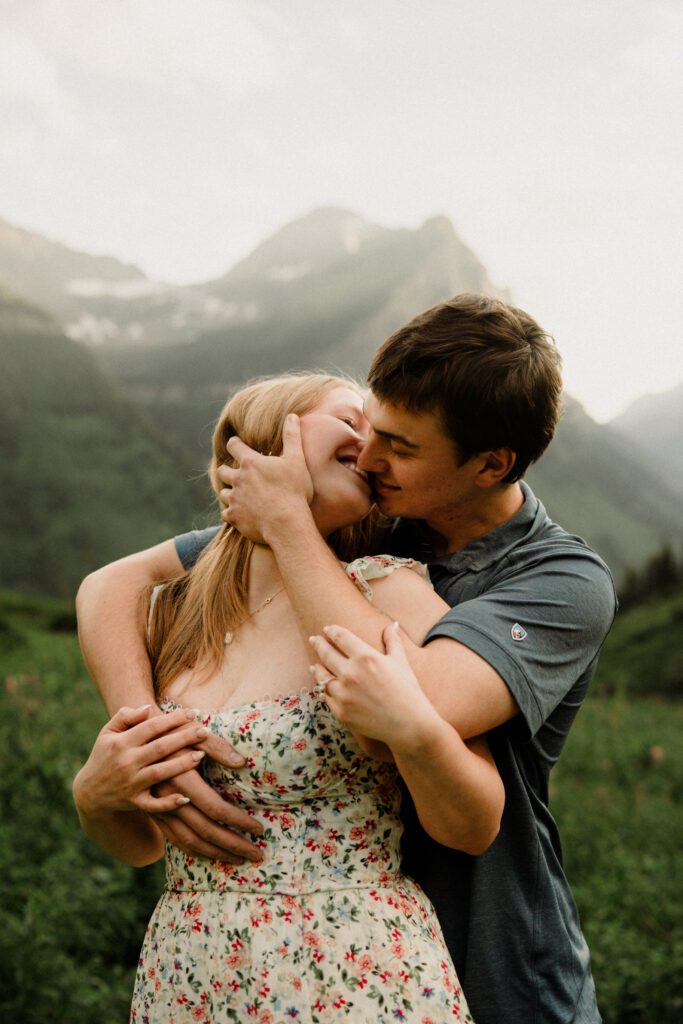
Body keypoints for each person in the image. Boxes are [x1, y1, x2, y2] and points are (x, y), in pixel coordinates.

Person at [77, 294, 617, 1024]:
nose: (369, 458)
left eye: (398, 446)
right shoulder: (364, 518)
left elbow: (421, 703)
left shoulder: (559, 581)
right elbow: (113, 584)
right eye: (367, 432)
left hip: (490, 950)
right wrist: (145, 743)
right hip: (223, 965)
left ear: (489, 465)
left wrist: (290, 524)